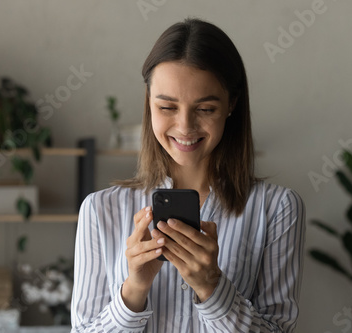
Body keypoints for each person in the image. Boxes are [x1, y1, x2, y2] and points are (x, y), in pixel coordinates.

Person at [71, 18, 305, 333]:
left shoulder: (277, 209)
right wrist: (134, 289)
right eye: (167, 107)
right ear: (149, 104)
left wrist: (212, 288)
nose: (185, 127)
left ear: (231, 104)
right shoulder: (100, 211)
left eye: (205, 109)